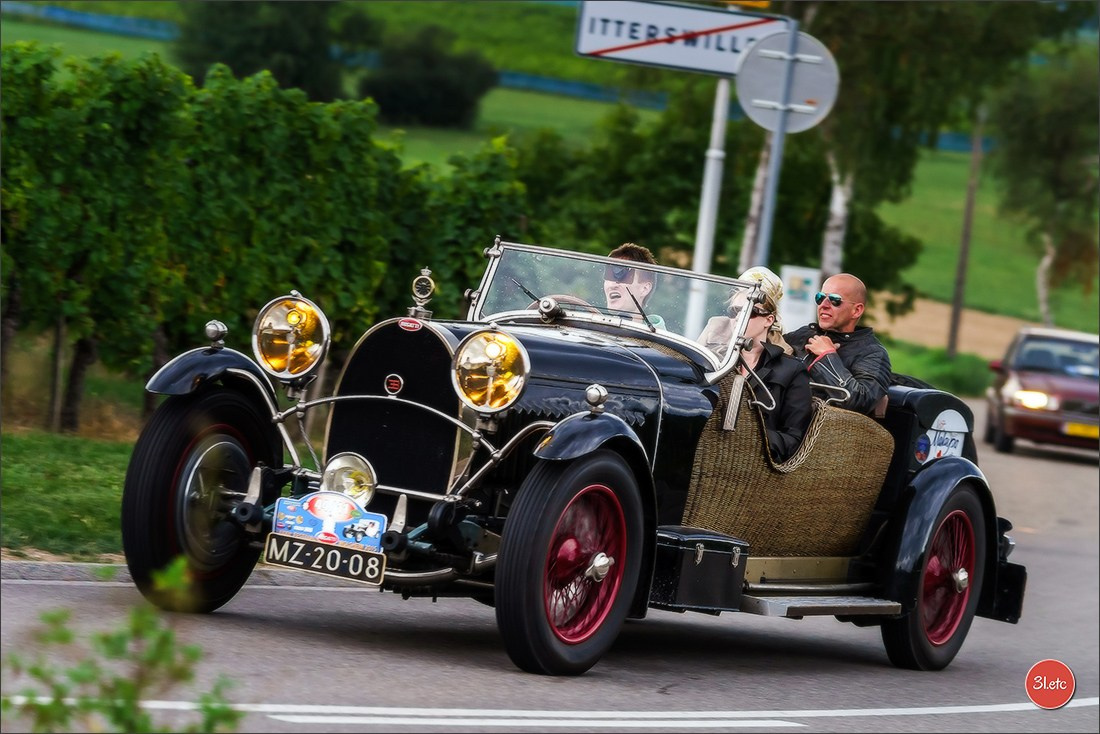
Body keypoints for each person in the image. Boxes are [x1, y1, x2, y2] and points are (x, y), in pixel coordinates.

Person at [700, 266, 812, 463]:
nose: (738, 318)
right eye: (734, 311)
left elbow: (792, 439)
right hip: (704, 452)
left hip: (753, 465)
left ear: (769, 320)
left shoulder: (791, 369)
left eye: (750, 312)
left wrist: (747, 438)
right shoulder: (714, 359)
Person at [784, 272, 892, 415]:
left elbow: (860, 402)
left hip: (818, 432)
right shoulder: (804, 334)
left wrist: (826, 357)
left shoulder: (872, 352)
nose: (824, 305)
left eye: (835, 300)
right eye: (820, 298)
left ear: (857, 310)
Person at [603, 243, 665, 329]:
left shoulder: (661, 340)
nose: (612, 285)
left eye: (624, 276)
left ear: (644, 289)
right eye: (609, 276)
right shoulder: (592, 330)